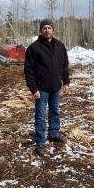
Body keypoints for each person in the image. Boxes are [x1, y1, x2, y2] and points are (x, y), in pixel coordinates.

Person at [24, 19, 70, 156]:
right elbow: (28, 70)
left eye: (49, 27)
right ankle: (40, 142)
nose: (47, 30)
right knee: (40, 116)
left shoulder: (60, 46)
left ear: (53, 30)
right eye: (44, 28)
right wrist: (33, 89)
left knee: (55, 111)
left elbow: (64, 66)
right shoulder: (34, 48)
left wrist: (66, 82)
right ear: (40, 30)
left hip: (55, 87)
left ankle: (54, 134)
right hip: (41, 89)